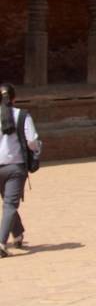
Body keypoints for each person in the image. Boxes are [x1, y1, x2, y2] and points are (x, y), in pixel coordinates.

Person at [0, 84, 42, 257]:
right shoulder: (22, 116)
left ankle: (17, 234)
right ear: (14, 98)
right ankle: (1, 242)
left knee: (9, 202)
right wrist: (38, 150)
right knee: (10, 204)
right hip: (15, 167)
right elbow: (32, 141)